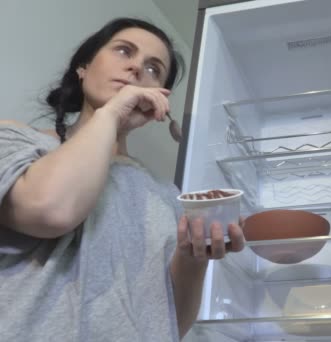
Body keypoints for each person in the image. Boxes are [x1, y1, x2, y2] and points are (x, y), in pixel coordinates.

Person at [0, 17, 244, 341]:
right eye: (123, 51)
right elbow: (49, 209)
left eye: (153, 69)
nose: (136, 68)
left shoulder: (166, 196)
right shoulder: (17, 140)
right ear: (83, 67)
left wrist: (192, 258)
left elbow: (172, 325)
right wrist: (112, 114)